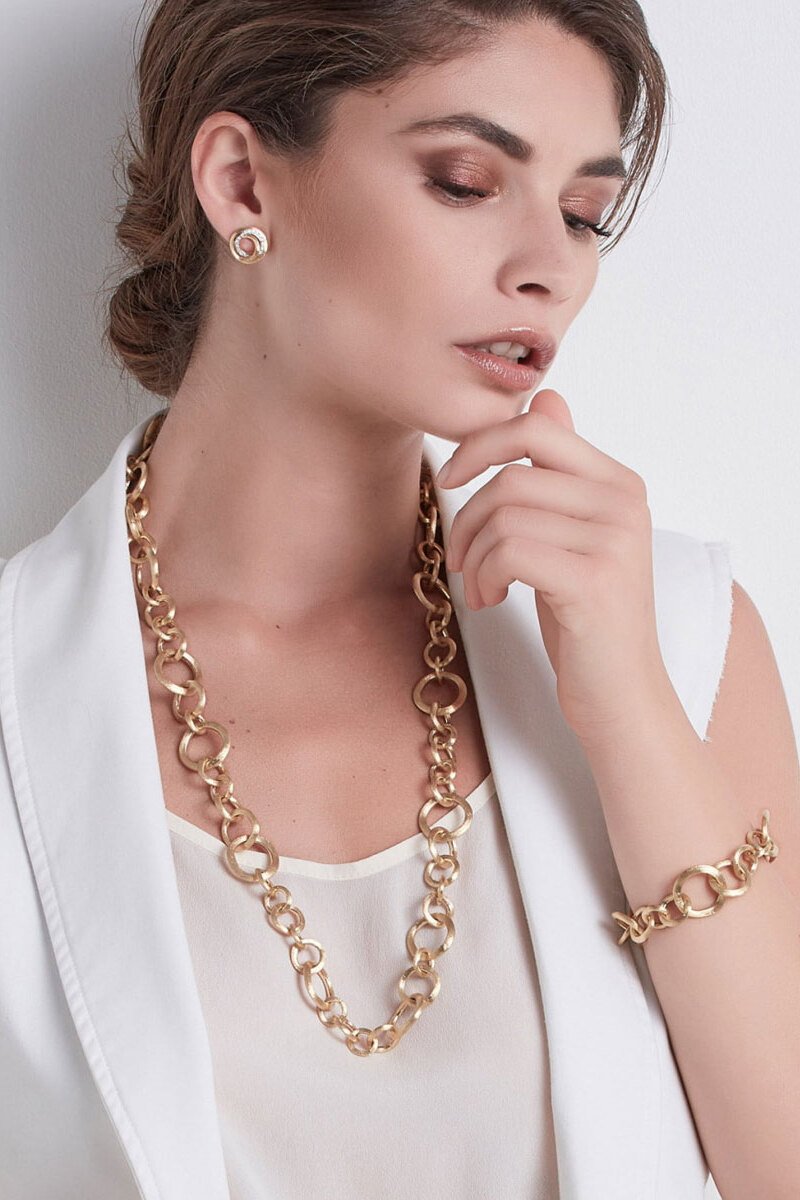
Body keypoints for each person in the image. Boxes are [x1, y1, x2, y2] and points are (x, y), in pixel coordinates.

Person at [1, 1, 798, 1197]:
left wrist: (628, 708)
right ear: (242, 183)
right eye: (465, 182)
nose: (548, 267)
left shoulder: (679, 638)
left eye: (582, 214)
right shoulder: (20, 694)